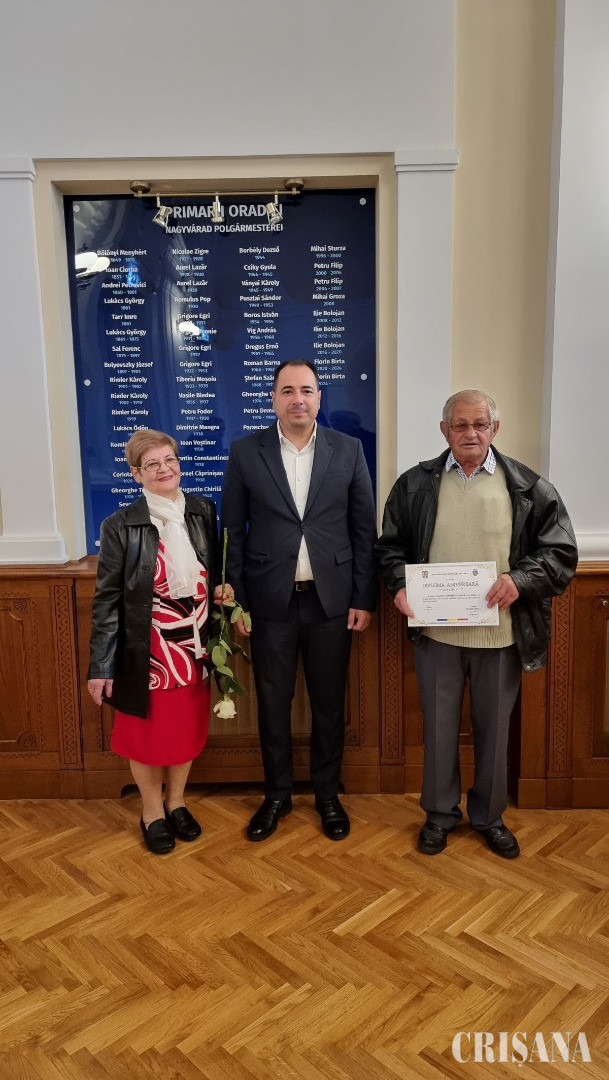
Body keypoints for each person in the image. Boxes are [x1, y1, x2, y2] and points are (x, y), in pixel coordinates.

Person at [376, 390, 577, 858]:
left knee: (494, 730)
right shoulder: (414, 485)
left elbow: (560, 553)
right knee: (439, 728)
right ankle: (439, 814)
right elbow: (390, 549)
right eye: (460, 425)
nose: (470, 433)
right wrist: (399, 587)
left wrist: (519, 580)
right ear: (444, 430)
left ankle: (489, 817)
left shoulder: (527, 486)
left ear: (494, 429)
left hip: (501, 634)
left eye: (480, 424)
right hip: (436, 634)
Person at [222, 359, 377, 842]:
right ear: (273, 399)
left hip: (332, 602)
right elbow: (232, 533)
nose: (298, 400)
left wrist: (363, 597)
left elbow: (363, 530)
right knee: (273, 704)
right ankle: (277, 795)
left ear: (319, 397)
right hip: (269, 603)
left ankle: (328, 795)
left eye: (306, 390)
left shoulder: (348, 450)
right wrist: (237, 603)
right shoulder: (246, 452)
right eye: (287, 391)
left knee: (329, 703)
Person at [87, 429, 230, 854]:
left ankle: (177, 802)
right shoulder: (120, 525)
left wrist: (223, 590)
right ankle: (152, 812)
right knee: (147, 737)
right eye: (152, 464)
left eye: (170, 460)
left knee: (184, 731)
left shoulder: (202, 511)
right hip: (146, 652)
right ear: (136, 474)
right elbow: (107, 601)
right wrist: (101, 666)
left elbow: (213, 569)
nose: (164, 469)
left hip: (193, 645)